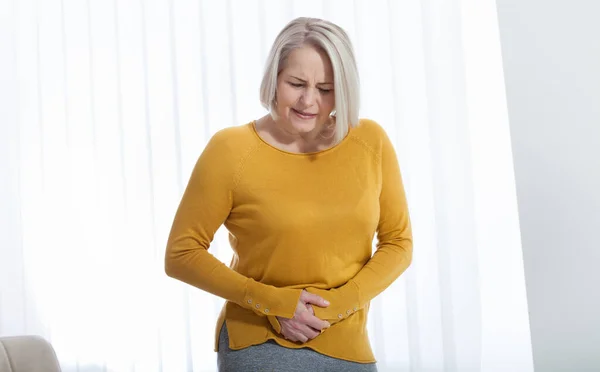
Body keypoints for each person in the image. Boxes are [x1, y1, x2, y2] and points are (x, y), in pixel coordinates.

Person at [165, 17, 412, 372]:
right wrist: (273, 303)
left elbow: (398, 242)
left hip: (346, 340)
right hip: (258, 339)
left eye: (325, 89)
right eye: (296, 83)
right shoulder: (231, 149)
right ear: (274, 80)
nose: (309, 100)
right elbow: (181, 253)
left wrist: (338, 305)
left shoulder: (369, 142)